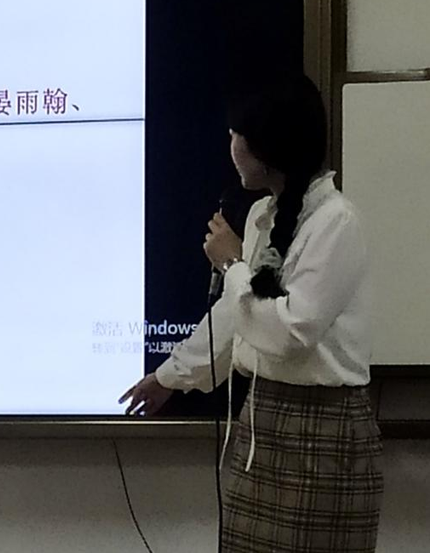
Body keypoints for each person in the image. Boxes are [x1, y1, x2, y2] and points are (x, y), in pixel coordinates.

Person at [120, 74, 383, 552]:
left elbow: (291, 333)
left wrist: (232, 264)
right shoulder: (266, 215)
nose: (231, 145)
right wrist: (169, 377)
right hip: (264, 420)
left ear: (267, 145)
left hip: (323, 432)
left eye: (236, 134)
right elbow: (235, 317)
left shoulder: (336, 222)